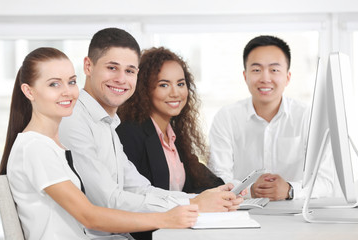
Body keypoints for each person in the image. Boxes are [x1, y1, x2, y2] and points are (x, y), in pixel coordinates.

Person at [0, 47, 200, 240]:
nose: (68, 91)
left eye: (72, 81)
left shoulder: (53, 146)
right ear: (29, 91)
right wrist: (165, 218)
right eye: (54, 84)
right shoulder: (35, 147)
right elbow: (90, 217)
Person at [59, 28, 242, 239]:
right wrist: (192, 203)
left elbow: (139, 188)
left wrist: (196, 200)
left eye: (129, 71)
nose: (121, 79)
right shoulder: (73, 120)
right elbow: (108, 200)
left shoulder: (108, 123)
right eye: (112, 68)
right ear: (88, 66)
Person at [208, 35, 334, 201]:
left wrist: (290, 189)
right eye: (256, 70)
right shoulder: (226, 118)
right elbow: (218, 178)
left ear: (288, 77)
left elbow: (326, 181)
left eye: (274, 70)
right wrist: (250, 189)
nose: (265, 78)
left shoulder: (308, 117)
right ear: (245, 76)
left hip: (296, 215)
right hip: (240, 213)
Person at [116, 47, 224, 195]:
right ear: (144, 90)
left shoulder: (175, 136)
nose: (175, 93)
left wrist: (240, 190)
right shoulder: (129, 133)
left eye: (180, 84)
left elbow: (206, 182)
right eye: (164, 85)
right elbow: (135, 195)